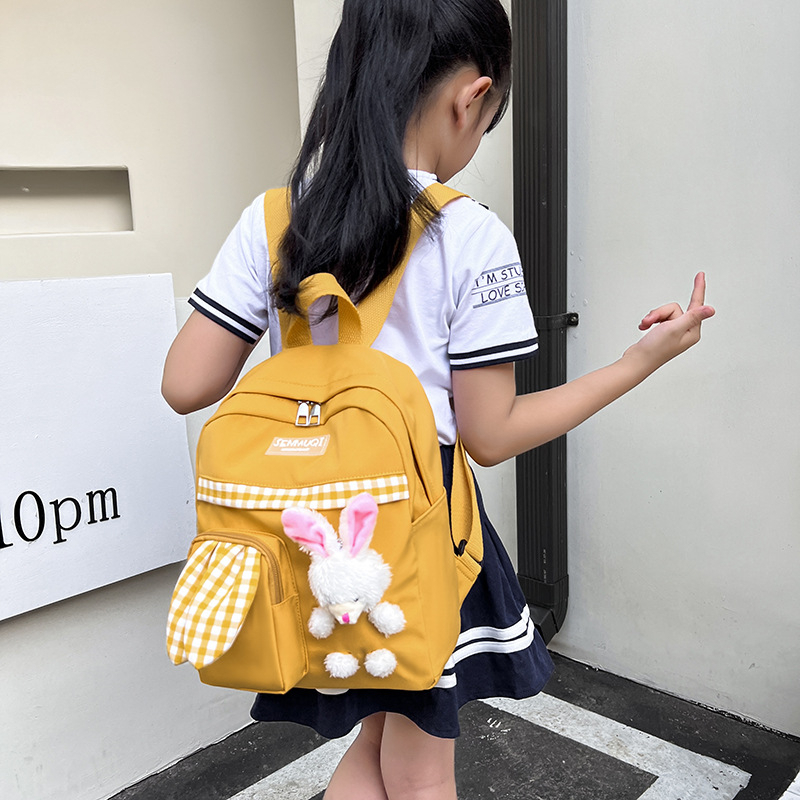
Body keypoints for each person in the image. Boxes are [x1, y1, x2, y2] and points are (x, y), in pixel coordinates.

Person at [161, 1, 715, 797]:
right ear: (472, 97)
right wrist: (636, 363)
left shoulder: (276, 218)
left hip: (308, 545)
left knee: (378, 738)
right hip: (420, 534)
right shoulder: (469, 234)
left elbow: (186, 384)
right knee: (420, 769)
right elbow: (492, 435)